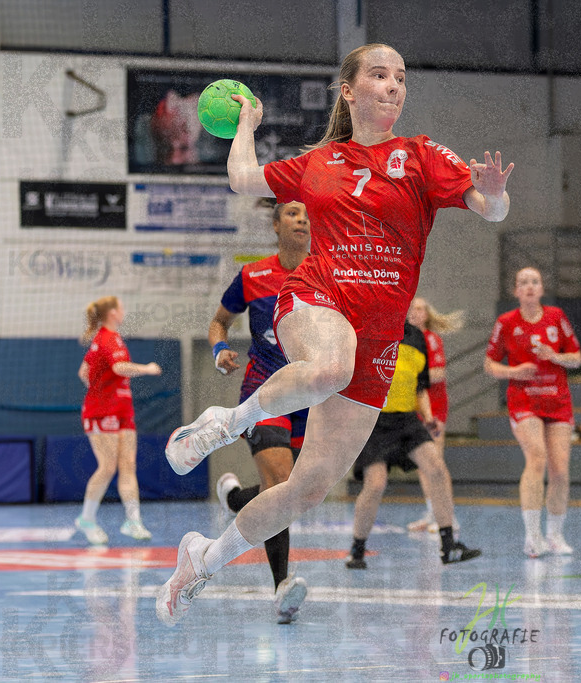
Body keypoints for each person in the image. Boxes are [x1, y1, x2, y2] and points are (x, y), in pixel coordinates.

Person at [156, 43, 513, 627]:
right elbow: (244, 178)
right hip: (315, 298)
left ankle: (203, 560)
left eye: (400, 77)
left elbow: (489, 207)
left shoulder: (422, 156)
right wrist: (246, 125)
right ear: (349, 91)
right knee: (328, 367)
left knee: (308, 488)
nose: (393, 85)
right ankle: (224, 423)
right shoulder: (318, 161)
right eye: (379, 75)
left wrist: (495, 192)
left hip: (379, 334)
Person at [209, 200, 311, 624]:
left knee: (297, 493)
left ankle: (236, 499)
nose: (302, 219)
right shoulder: (253, 275)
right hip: (264, 392)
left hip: (312, 396)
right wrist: (219, 350)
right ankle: (282, 588)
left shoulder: (328, 275)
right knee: (282, 483)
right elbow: (219, 321)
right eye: (291, 213)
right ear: (275, 225)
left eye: (307, 214)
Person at [346, 321, 479, 569]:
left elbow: (420, 387)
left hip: (406, 419)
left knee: (436, 469)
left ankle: (448, 545)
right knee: (375, 484)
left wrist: (428, 417)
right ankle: (357, 548)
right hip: (373, 419)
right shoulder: (366, 328)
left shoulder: (416, 336)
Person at [484, 267, 581, 558]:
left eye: (534, 282)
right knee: (537, 457)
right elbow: (489, 365)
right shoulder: (506, 323)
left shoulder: (556, 317)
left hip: (557, 400)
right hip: (524, 400)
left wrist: (555, 357)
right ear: (515, 291)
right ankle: (532, 535)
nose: (529, 287)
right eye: (523, 283)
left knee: (560, 471)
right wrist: (514, 370)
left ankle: (554, 534)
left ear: (542, 289)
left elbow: (576, 358)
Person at [75, 296, 161, 545]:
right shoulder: (106, 337)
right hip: (103, 412)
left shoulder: (109, 339)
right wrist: (147, 369)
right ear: (112, 312)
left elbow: (84, 372)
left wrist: (99, 386)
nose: (124, 311)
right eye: (121, 307)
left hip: (123, 410)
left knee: (128, 465)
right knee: (108, 466)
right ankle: (86, 519)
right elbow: (119, 368)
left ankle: (133, 520)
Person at [404, 297, 465, 533]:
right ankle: (432, 512)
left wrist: (412, 375)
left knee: (436, 462)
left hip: (435, 406)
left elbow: (438, 373)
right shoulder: (405, 339)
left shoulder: (431, 339)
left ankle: (449, 516)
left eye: (420, 308)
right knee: (422, 464)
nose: (414, 312)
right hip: (413, 406)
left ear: (427, 314)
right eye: (412, 308)